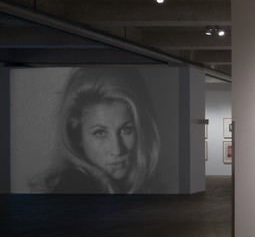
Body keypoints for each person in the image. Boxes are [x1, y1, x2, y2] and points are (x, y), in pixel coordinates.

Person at [30, 68, 161, 194]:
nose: (117, 150)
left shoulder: (137, 185)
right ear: (77, 136)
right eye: (100, 133)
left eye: (126, 130)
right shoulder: (74, 186)